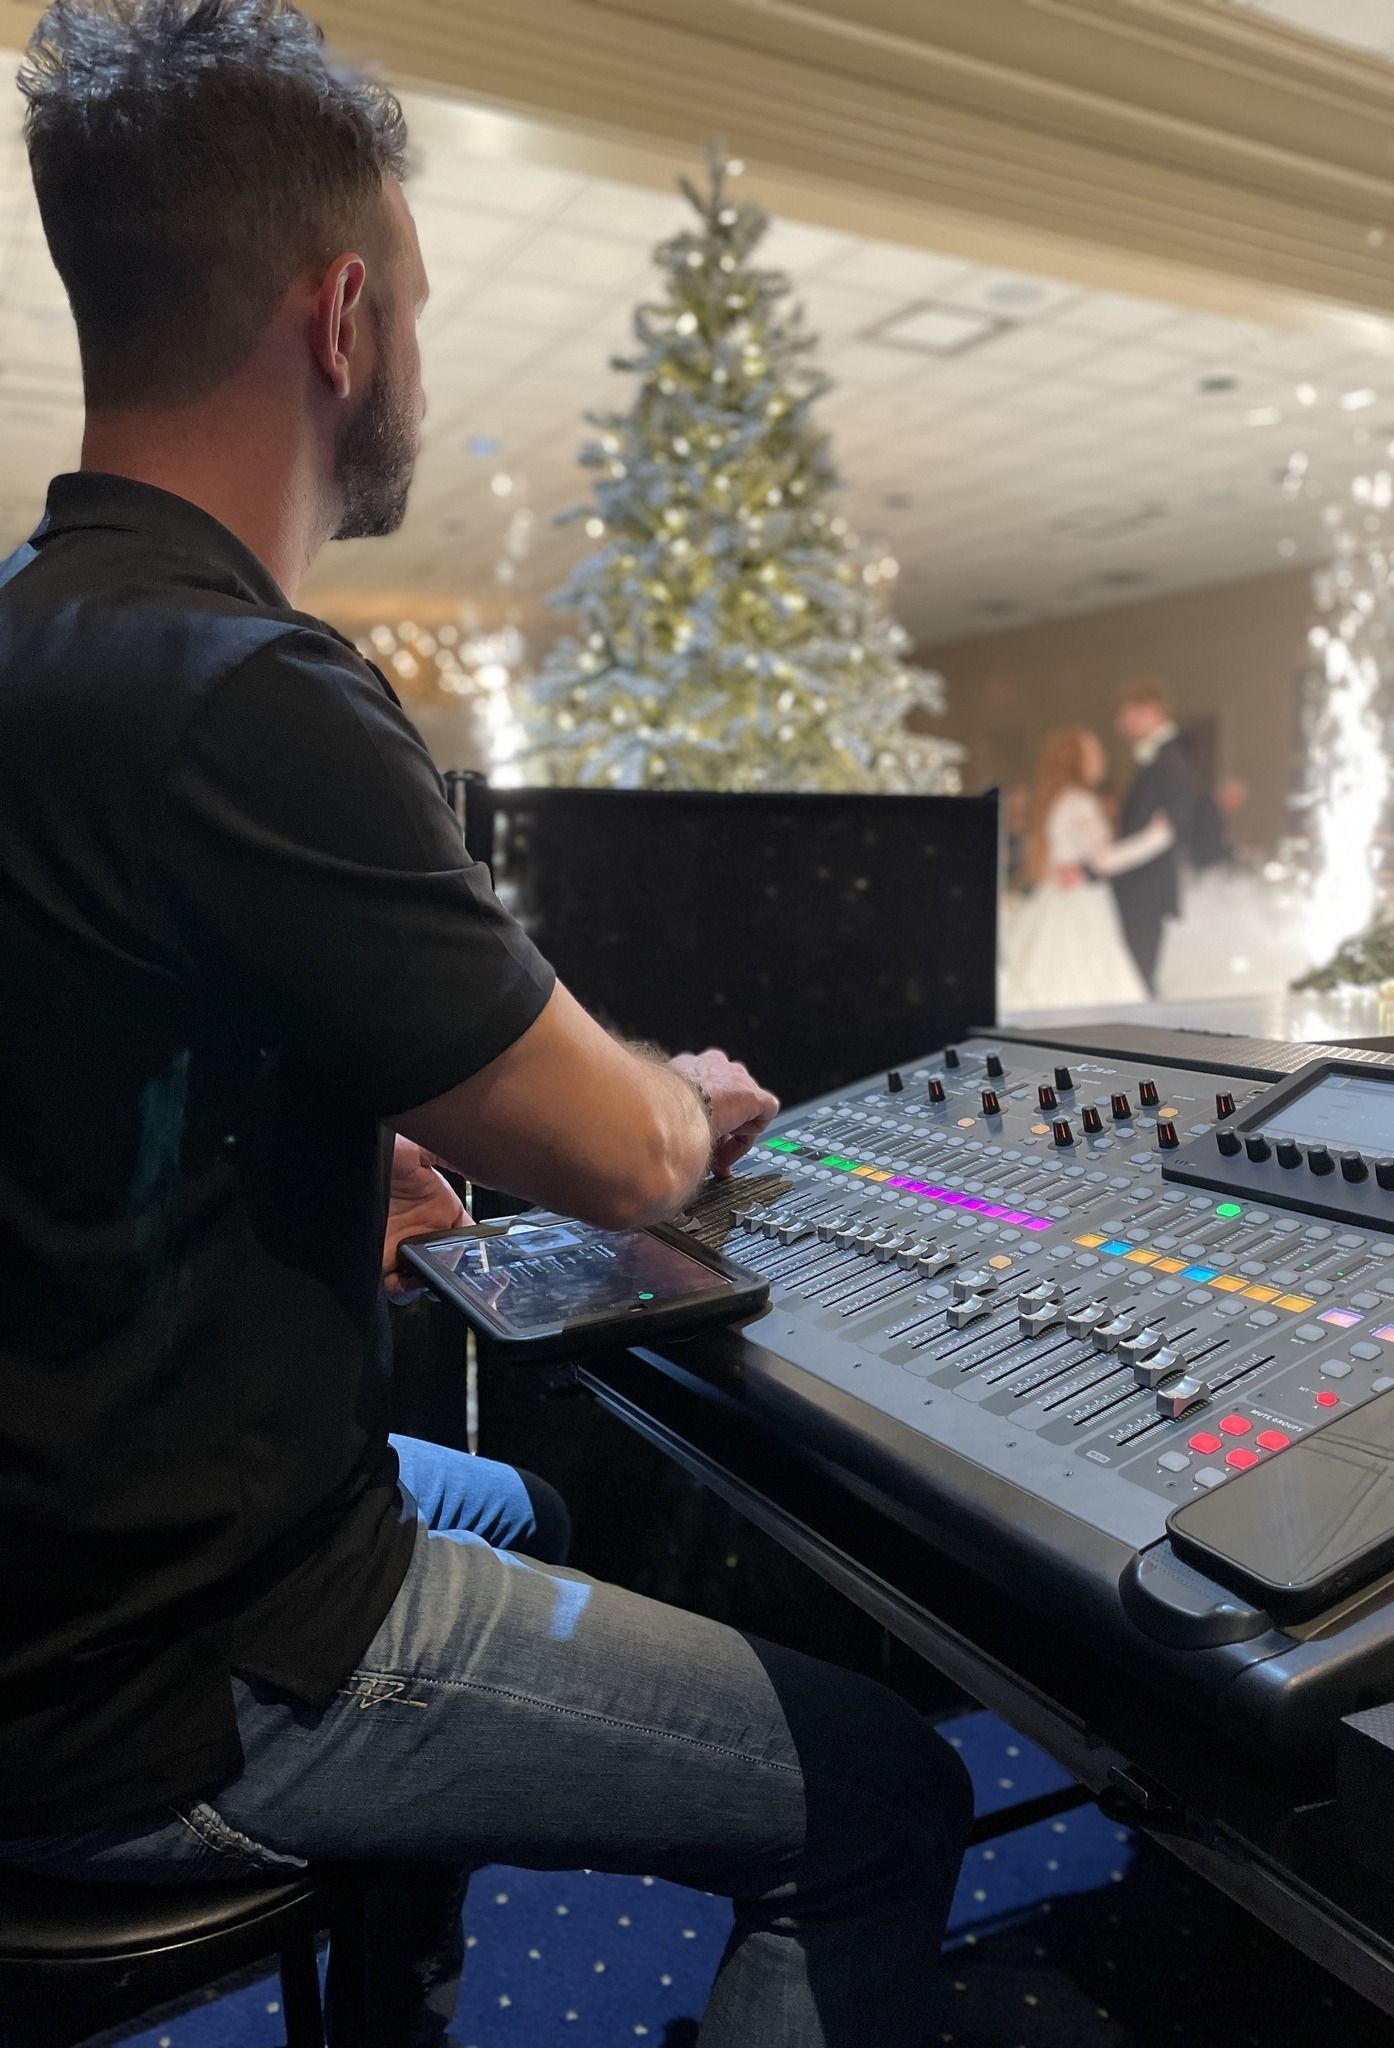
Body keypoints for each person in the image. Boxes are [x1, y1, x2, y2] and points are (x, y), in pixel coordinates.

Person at [0, 7, 973, 2046]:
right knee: (884, 1792)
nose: (417, 365)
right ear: (345, 318)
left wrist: (327, 1163)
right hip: (175, 1672)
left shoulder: (36, 626)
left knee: (518, 1506)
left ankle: (402, 2000)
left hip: (49, 1569)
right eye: (420, 316)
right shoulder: (244, 688)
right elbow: (618, 1156)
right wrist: (685, 1099)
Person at [999, 727, 1169, 1013]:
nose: (1102, 760)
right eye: (1094, 754)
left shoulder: (1060, 800)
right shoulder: (1078, 802)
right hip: (1079, 903)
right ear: (1077, 761)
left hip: (1064, 898)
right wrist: (1154, 839)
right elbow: (1104, 861)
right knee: (1087, 979)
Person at [1105, 678, 1196, 995]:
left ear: (1151, 710)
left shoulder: (1170, 759)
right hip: (1142, 884)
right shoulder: (1165, 757)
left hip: (1145, 886)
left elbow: (1163, 832)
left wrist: (1104, 863)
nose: (1120, 725)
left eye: (1126, 714)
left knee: (1139, 975)